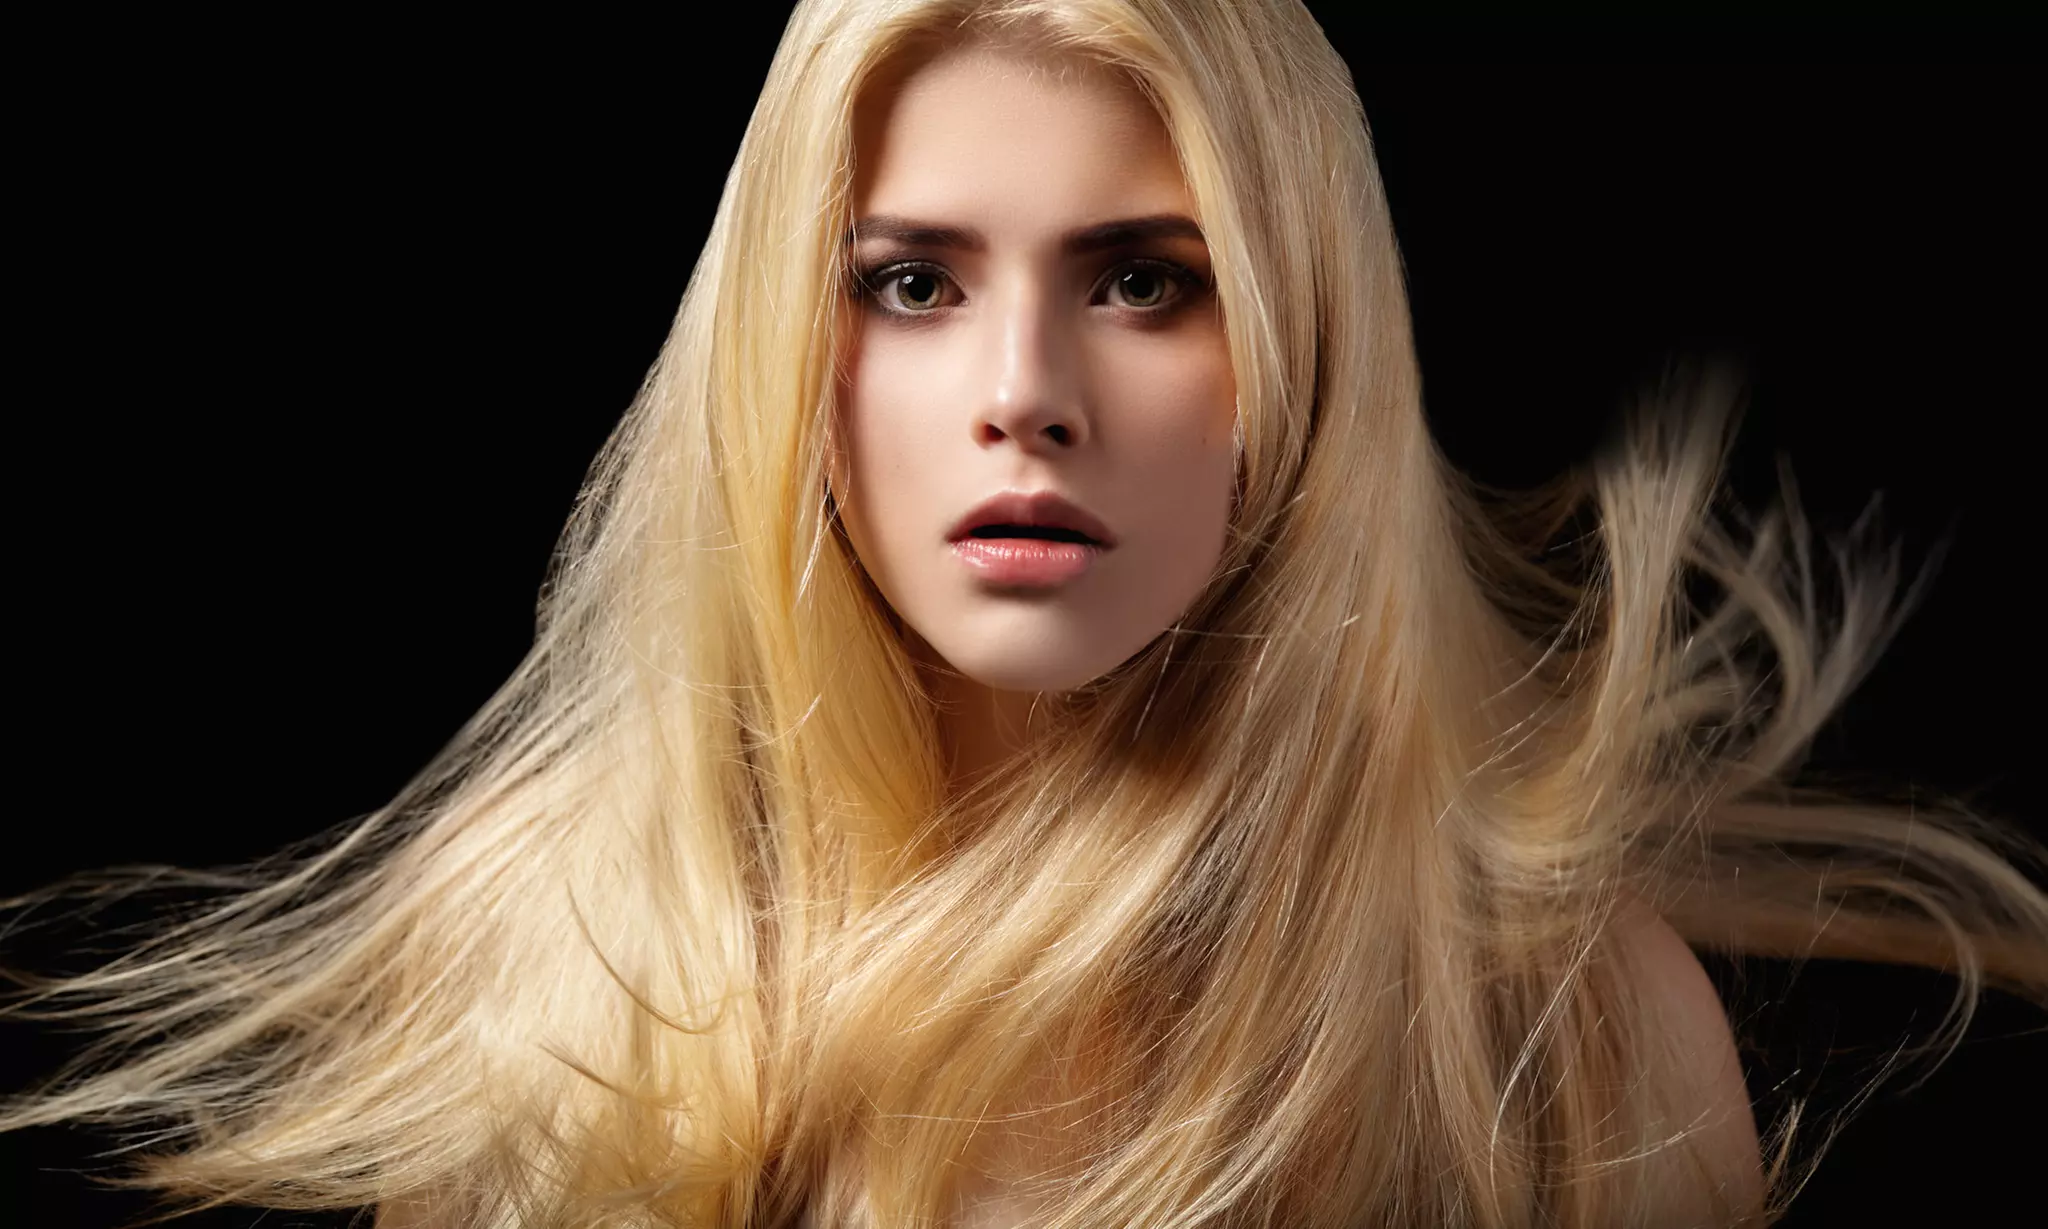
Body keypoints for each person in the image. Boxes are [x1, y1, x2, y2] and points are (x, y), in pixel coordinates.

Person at [5, 2, 2044, 1226]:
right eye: (910, 282)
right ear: (786, 352)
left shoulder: (1565, 1036)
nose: (1022, 392)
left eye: (1145, 279)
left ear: (1308, 351)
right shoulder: (557, 975)